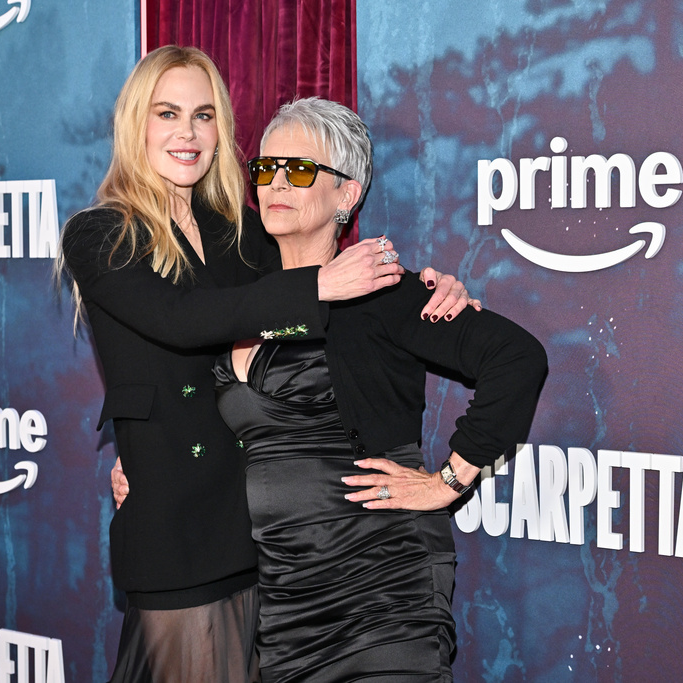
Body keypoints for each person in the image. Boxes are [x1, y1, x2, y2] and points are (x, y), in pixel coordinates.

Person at [58, 46, 475, 683]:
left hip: (264, 546)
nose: (187, 133)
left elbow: (315, 275)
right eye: (167, 113)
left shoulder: (240, 232)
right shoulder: (99, 235)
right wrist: (141, 447)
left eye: (203, 116)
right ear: (135, 122)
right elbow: (180, 322)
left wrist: (433, 293)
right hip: (176, 537)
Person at [210, 98, 548, 681]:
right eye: (265, 170)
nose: (275, 184)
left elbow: (517, 359)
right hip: (284, 597)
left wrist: (448, 482)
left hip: (383, 589)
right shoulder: (244, 301)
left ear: (347, 194)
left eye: (298, 169)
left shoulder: (387, 294)